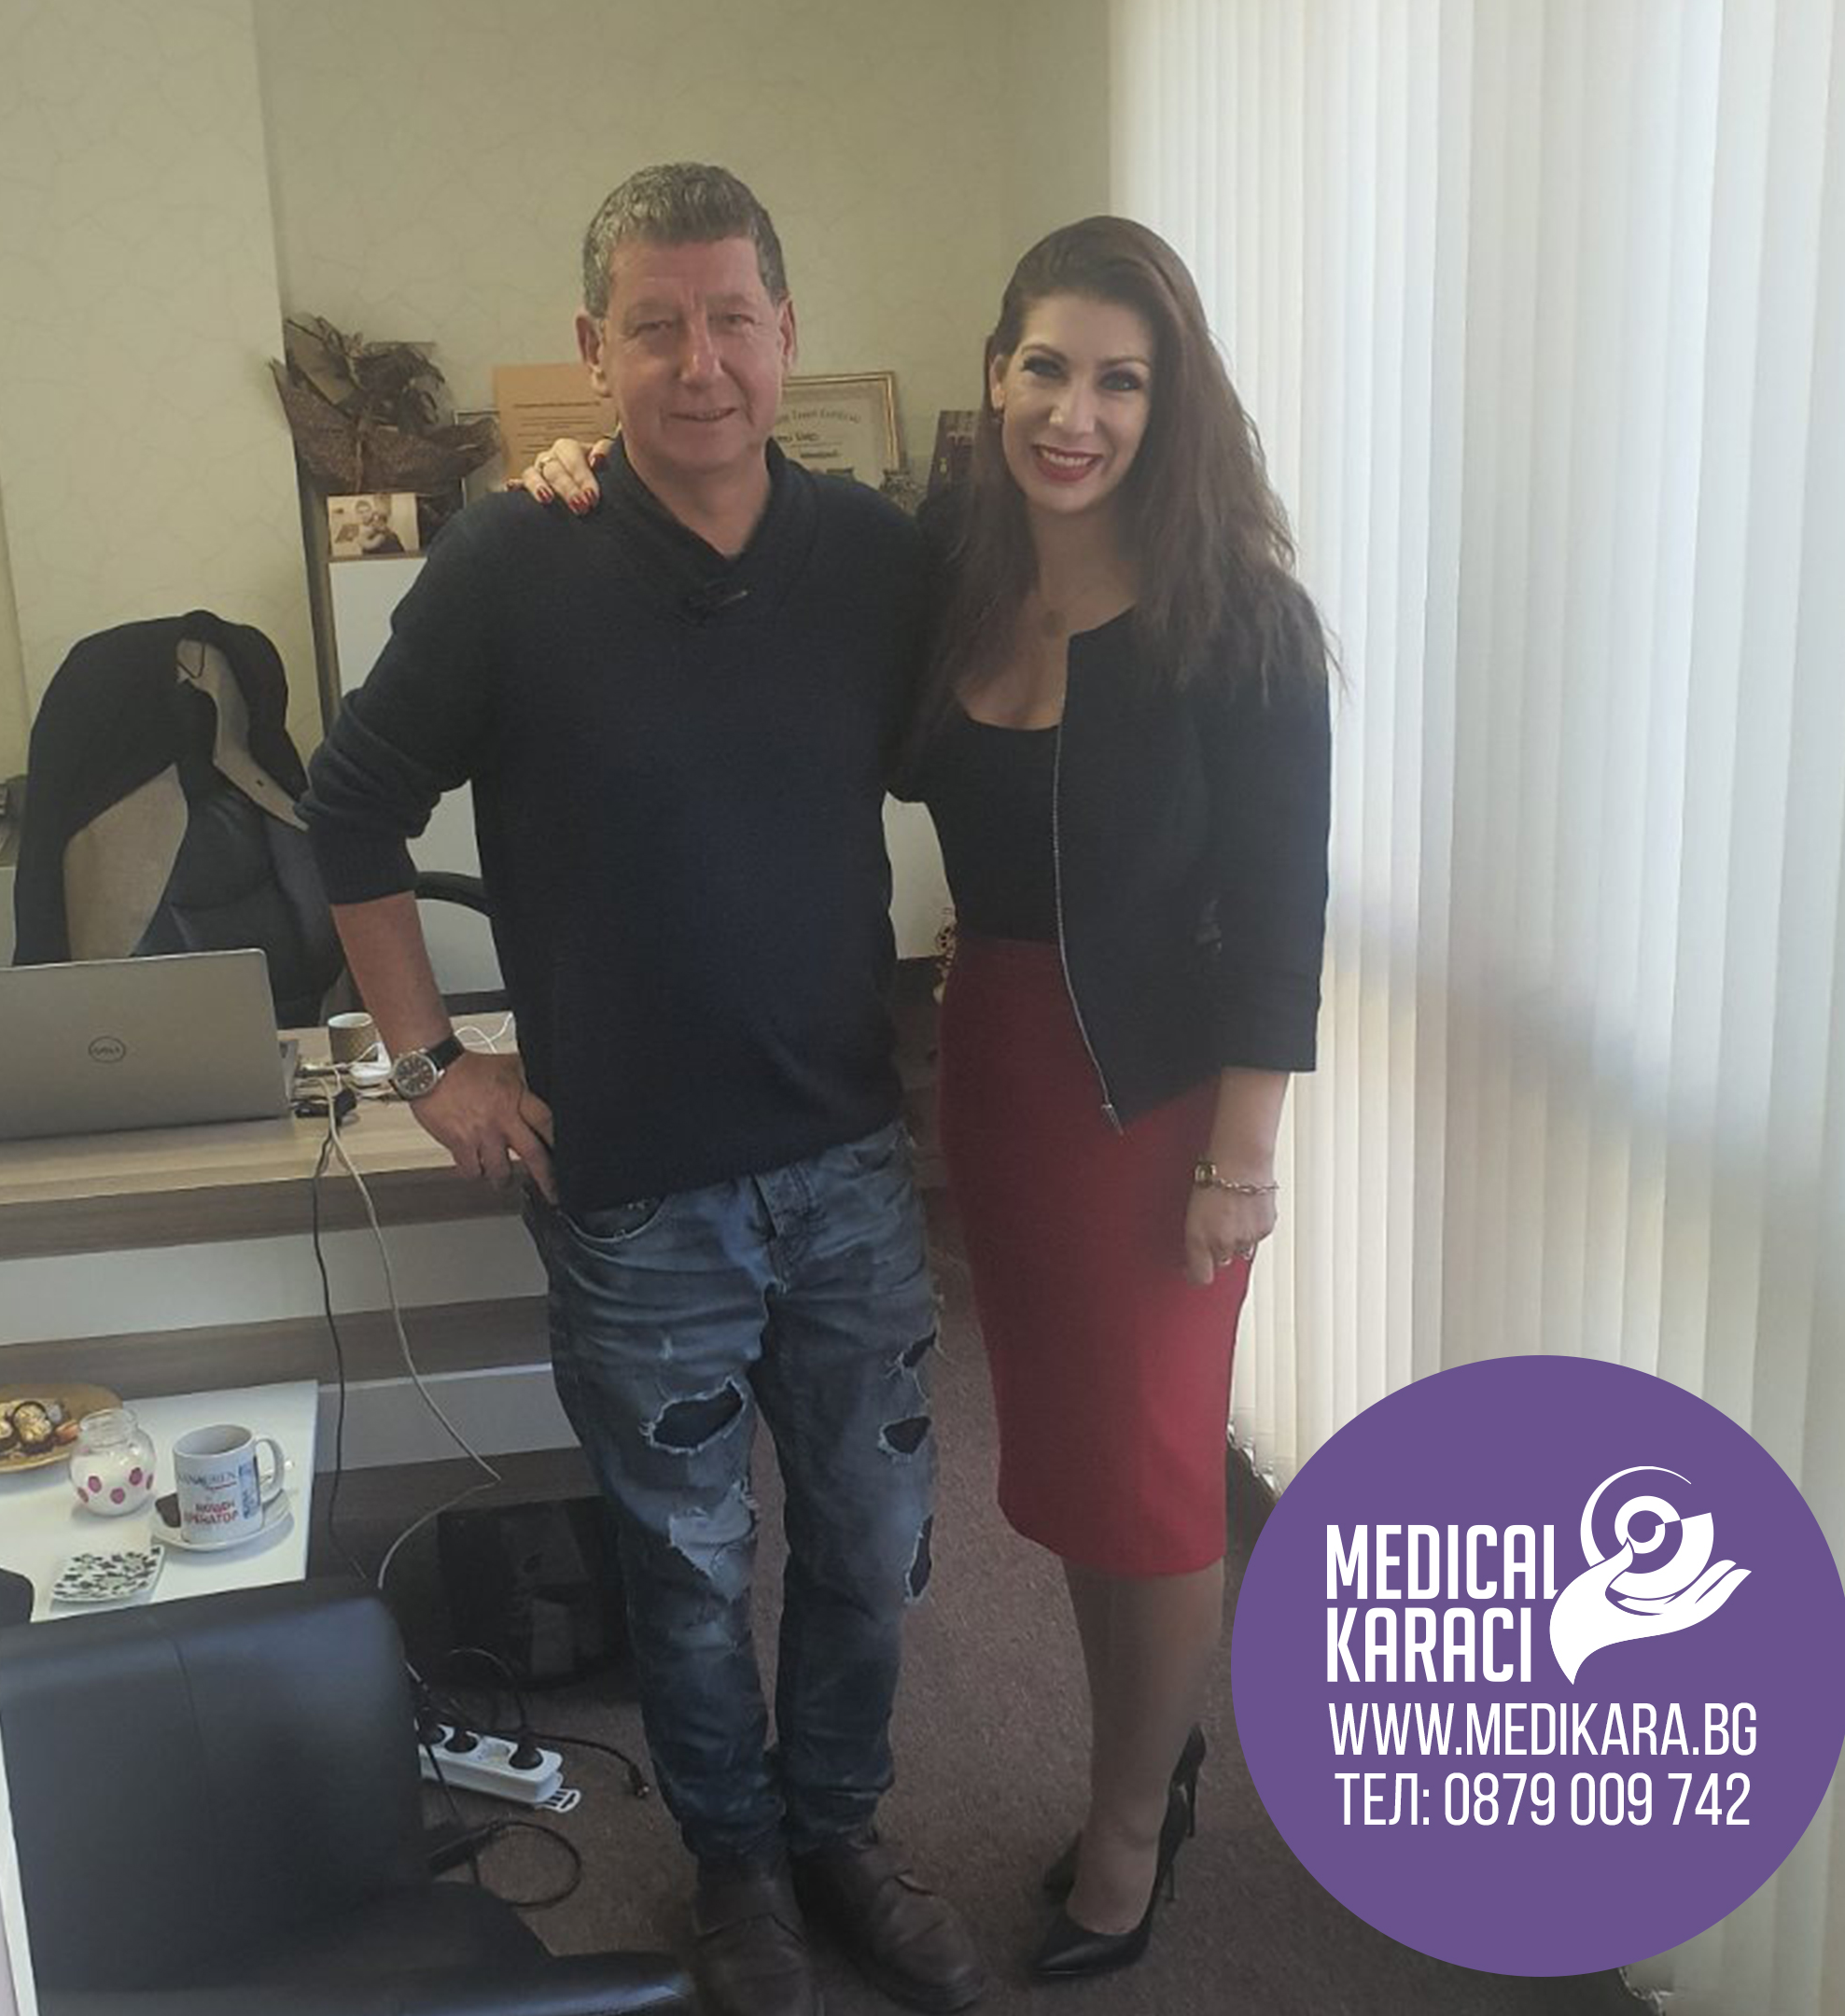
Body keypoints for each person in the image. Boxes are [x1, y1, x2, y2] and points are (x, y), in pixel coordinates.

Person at [524, 214, 1331, 1986]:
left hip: (1164, 1103)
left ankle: (1133, 1825)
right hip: (999, 1070)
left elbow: (1285, 919)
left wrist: (1243, 1161)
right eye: (1047, 367)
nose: (1076, 413)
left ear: (1172, 404)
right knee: (1074, 1469)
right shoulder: (939, 568)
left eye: (1121, 380)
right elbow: (741, 530)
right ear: (994, 374)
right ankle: (1145, 1754)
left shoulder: (1240, 620)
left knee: (1156, 1479)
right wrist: (585, 468)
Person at [302, 163, 982, 2016]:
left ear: (788, 332)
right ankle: (736, 1868)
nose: (701, 364)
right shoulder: (514, 561)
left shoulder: (879, 561)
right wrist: (431, 1063)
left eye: (733, 319)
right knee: (685, 1569)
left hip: (845, 1161)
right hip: (634, 1190)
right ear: (595, 347)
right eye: (657, 326)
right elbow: (349, 812)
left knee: (872, 1546)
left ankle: (837, 1834)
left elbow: (1005, 735)